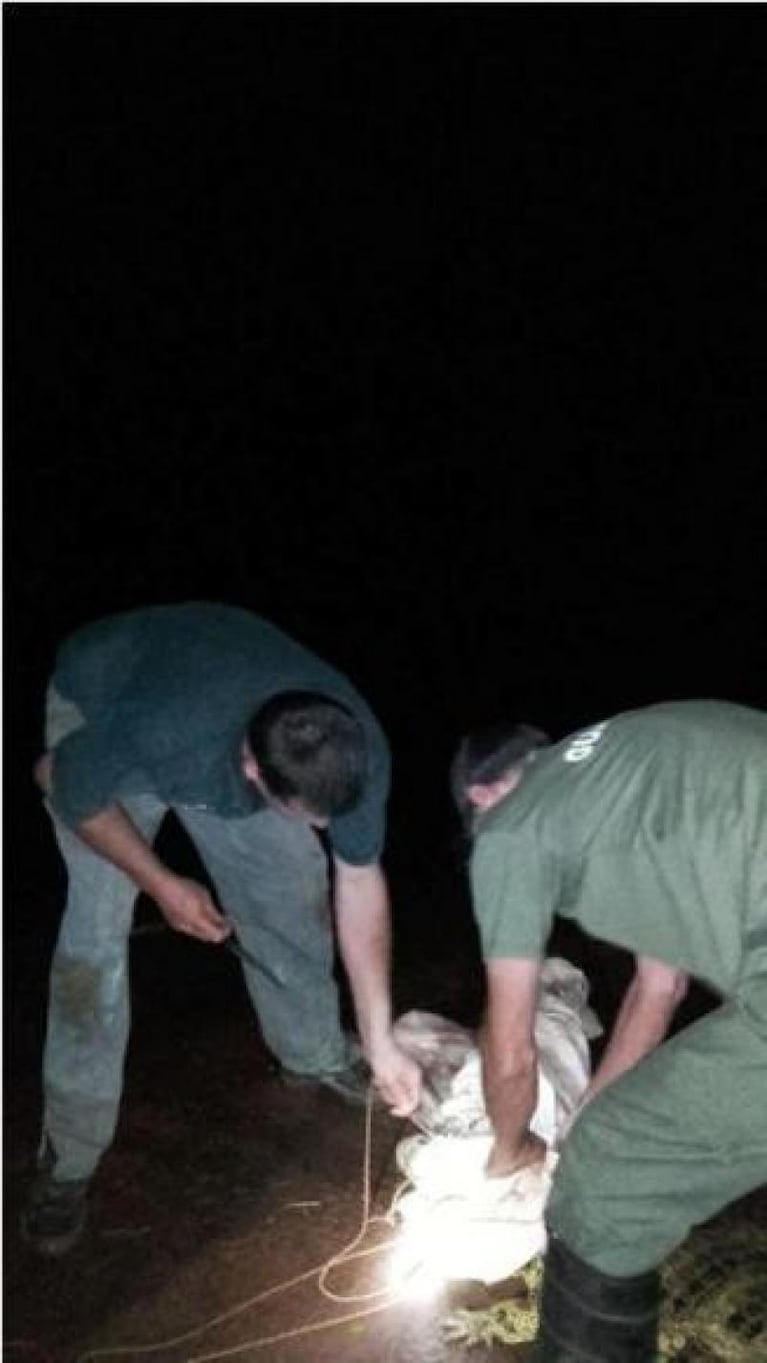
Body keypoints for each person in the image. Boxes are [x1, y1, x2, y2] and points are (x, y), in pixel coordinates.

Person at [22, 601, 422, 1257]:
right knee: (93, 944)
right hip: (106, 705)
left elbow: (359, 880)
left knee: (295, 884)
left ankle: (315, 1051)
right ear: (251, 770)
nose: (326, 829)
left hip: (209, 694)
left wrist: (380, 1037)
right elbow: (60, 780)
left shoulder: (350, 744)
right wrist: (163, 884)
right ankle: (69, 1154)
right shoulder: (162, 730)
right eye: (311, 815)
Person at [451, 703, 767, 1362]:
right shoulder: (629, 763)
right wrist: (583, 1119)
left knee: (606, 1180)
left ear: (482, 797)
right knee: (603, 1136)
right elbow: (657, 989)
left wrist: (510, 1150)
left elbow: (509, 1051)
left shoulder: (509, 827)